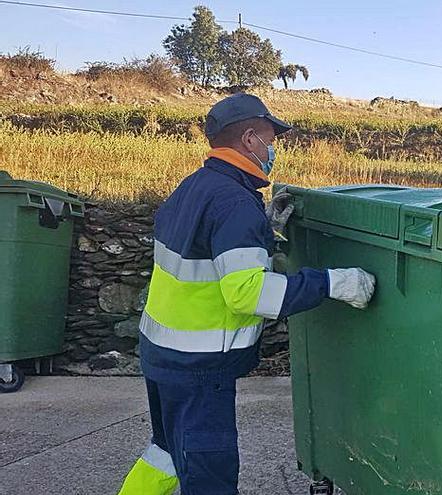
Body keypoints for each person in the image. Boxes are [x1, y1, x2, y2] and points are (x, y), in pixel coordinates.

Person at [118, 93, 376, 495]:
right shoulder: (234, 202)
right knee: (209, 474)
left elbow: (206, 252)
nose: (273, 151)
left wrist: (263, 230)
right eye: (271, 141)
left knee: (167, 452)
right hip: (199, 368)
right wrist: (332, 283)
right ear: (251, 139)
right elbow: (249, 294)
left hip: (161, 352)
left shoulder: (195, 187)